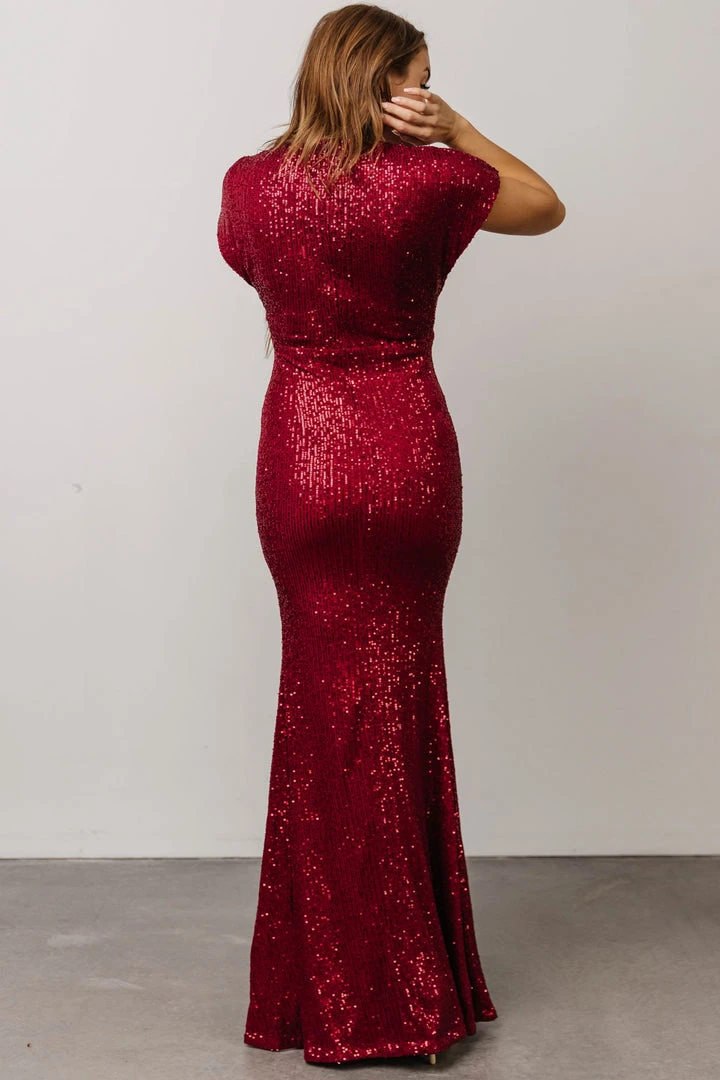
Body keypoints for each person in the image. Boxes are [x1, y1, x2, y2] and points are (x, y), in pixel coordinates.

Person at [217, 3, 565, 1068]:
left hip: (302, 455)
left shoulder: (249, 185)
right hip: (406, 451)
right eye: (421, 77)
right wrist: (457, 129)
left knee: (318, 707)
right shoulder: (431, 182)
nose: (427, 92)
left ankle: (315, 995)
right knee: (402, 699)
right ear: (390, 83)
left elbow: (247, 261)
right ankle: (407, 994)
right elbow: (545, 207)